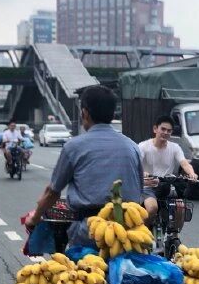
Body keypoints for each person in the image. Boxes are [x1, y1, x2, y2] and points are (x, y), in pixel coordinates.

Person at [25, 85, 144, 247]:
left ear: (85, 113)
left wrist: (34, 218)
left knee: (76, 262)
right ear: (112, 114)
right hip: (128, 232)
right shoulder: (132, 146)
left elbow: (52, 192)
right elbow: (139, 189)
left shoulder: (74, 146)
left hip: (90, 232)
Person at [139, 115, 198, 221]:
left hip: (167, 186)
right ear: (155, 129)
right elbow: (136, 164)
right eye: (163, 129)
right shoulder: (143, 146)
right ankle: (144, 230)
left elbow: (184, 163)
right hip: (148, 186)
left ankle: (174, 231)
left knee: (180, 208)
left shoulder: (175, 147)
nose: (166, 132)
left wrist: (192, 173)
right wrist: (143, 173)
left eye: (169, 131)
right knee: (152, 208)